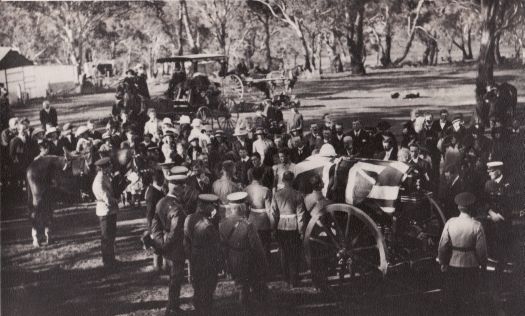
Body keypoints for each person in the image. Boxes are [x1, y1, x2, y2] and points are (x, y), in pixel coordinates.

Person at [145, 167, 188, 316]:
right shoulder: (177, 209)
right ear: (177, 188)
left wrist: (160, 243)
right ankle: (172, 308)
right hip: (175, 249)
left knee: (173, 279)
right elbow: (176, 233)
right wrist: (165, 245)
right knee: (176, 280)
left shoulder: (161, 201)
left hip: (166, 247)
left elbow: (155, 224)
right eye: (183, 186)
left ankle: (172, 306)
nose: (185, 189)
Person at [437, 192, 487, 315]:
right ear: (471, 207)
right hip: (471, 266)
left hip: (453, 264)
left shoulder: (450, 223)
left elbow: (442, 246)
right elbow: (482, 250)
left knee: (454, 300)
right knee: (470, 299)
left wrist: (443, 262)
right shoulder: (477, 225)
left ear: (458, 207)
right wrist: (483, 264)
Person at [219, 192, 269, 307]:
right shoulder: (248, 225)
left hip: (231, 258)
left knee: (241, 284)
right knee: (249, 285)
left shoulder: (223, 224)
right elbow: (257, 247)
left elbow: (222, 245)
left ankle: (244, 306)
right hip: (246, 259)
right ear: (242, 208)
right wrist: (263, 263)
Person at [184, 194, 222, 314]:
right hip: (207, 258)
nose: (214, 208)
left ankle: (199, 309)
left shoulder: (189, 218)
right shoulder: (208, 225)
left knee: (198, 285)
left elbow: (186, 239)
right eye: (212, 205)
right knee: (208, 288)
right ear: (206, 206)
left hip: (194, 254)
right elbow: (216, 244)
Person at [271, 171, 306, 287]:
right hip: (294, 226)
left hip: (281, 225)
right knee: (294, 254)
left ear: (283, 181)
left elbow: (274, 213)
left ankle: (285, 278)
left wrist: (273, 228)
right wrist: (301, 231)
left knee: (283, 252)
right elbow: (300, 215)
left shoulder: (277, 194)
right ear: (292, 180)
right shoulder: (298, 194)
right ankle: (293, 280)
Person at [92, 157, 120, 269]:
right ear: (103, 168)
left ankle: (111, 259)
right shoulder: (99, 181)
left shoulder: (104, 177)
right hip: (105, 211)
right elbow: (107, 199)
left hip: (109, 211)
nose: (110, 168)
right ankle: (107, 263)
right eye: (109, 166)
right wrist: (117, 200)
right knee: (106, 237)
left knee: (111, 236)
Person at [245, 166, 275, 260]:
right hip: (264, 221)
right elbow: (269, 210)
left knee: (253, 246)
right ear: (262, 176)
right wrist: (273, 226)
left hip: (251, 220)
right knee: (265, 247)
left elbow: (246, 208)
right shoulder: (265, 190)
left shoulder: (246, 189)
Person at [143, 169, 165, 272]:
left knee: (160, 244)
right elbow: (149, 214)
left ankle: (160, 266)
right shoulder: (152, 193)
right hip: (155, 223)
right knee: (157, 245)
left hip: (160, 222)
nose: (163, 180)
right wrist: (151, 229)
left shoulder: (157, 190)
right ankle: (157, 267)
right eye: (161, 178)